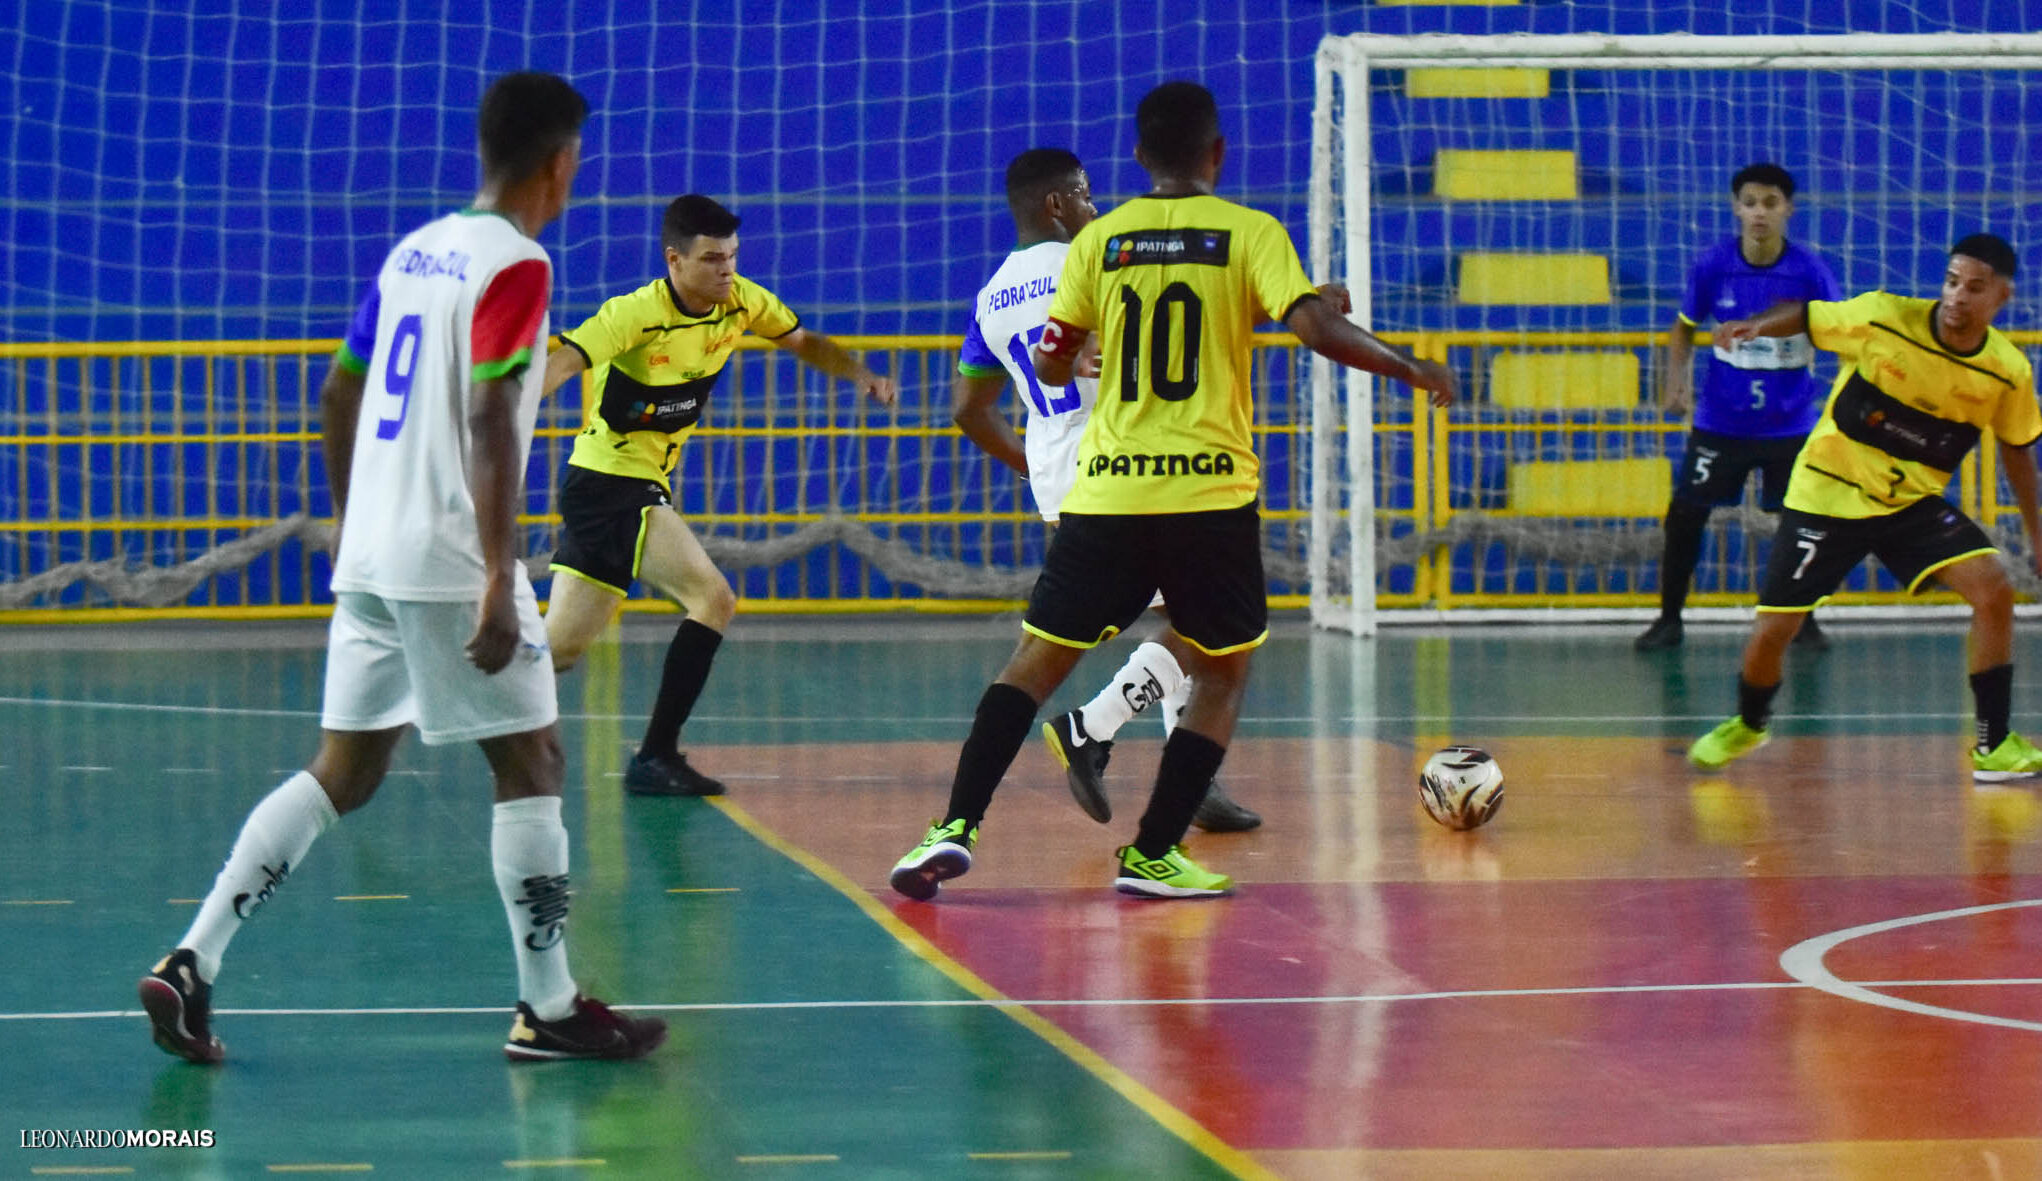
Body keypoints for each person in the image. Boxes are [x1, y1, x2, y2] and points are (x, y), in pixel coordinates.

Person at [139, 73, 665, 1063]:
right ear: (559, 163)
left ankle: (192, 959)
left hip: (376, 556)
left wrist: (349, 521)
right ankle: (547, 1007)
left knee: (344, 768)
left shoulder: (413, 250)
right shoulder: (517, 263)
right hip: (449, 556)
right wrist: (498, 575)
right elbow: (488, 416)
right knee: (532, 762)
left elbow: (339, 390)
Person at [891, 81, 1457, 901]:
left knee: (1033, 664)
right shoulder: (1248, 232)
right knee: (1224, 664)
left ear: (1136, 159)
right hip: (1206, 493)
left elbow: (1051, 362)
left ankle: (955, 826)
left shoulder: (1102, 240)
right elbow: (1309, 327)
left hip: (1104, 489)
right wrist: (1407, 365)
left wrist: (1077, 354)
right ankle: (1154, 849)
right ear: (1217, 154)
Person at [542, 194, 898, 796]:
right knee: (714, 598)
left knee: (556, 651)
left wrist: (859, 373)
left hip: (634, 485)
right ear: (674, 260)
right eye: (712, 259)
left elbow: (802, 340)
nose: (726, 270)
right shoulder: (635, 313)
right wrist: (510, 410)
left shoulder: (740, 302)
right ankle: (655, 756)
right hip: (609, 484)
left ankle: (427, 684)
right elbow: (567, 359)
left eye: (732, 257)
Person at [952, 147, 1261, 835]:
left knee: (1185, 614)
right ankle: (1095, 725)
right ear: (1057, 204)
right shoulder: (1096, 257)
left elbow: (969, 409)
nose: (1095, 205)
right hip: (1125, 467)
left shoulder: (992, 295)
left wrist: (1030, 468)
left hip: (1061, 475)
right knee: (1213, 621)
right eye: (1086, 194)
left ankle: (1191, 779)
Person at [1688, 234, 2042, 781]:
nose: (1957, 297)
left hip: (1908, 503)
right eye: (1951, 282)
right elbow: (1806, 315)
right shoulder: (1883, 317)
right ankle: (1750, 722)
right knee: (1773, 630)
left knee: (1994, 590)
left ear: (2001, 297)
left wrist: (2038, 538)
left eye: (1974, 289)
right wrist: (1756, 325)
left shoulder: (2007, 371)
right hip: (1827, 492)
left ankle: (1992, 747)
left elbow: (2018, 454)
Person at [1638, 162, 1845, 651]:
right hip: (1721, 422)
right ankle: (1669, 618)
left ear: (1787, 210)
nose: (1759, 213)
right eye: (1750, 203)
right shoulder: (1713, 266)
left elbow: (1840, 328)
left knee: (1802, 521)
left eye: (1770, 204)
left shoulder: (1810, 270)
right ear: (1736, 208)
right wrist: (1676, 383)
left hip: (1789, 424)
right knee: (1685, 514)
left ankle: (1803, 619)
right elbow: (1683, 325)